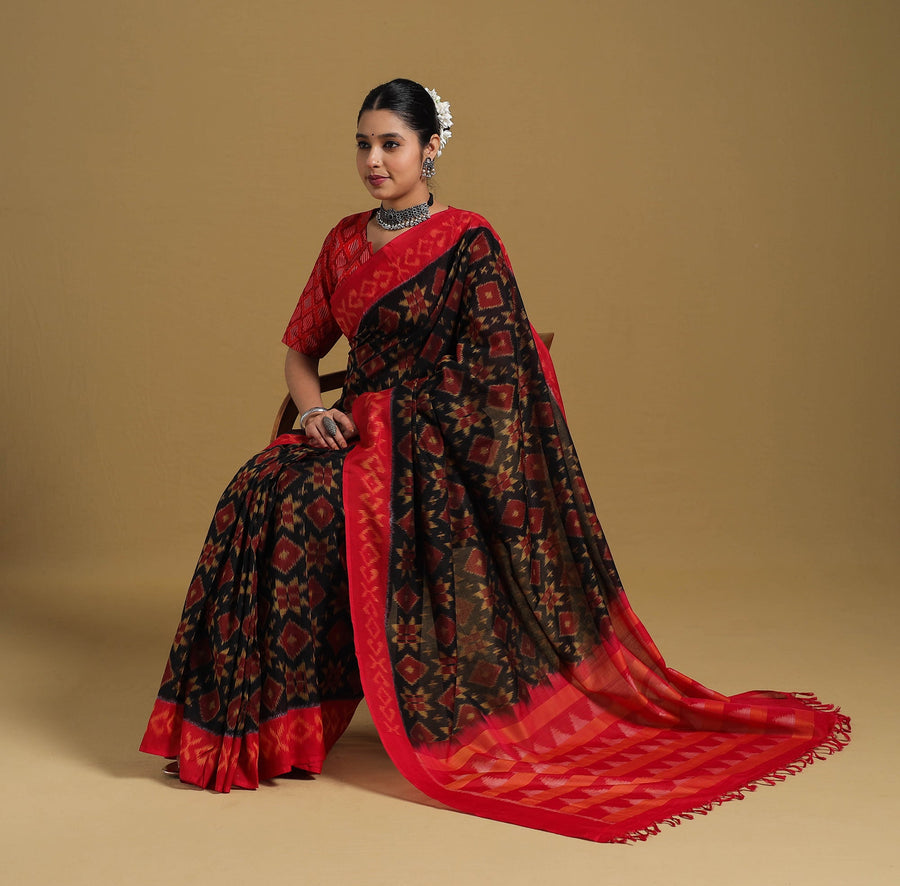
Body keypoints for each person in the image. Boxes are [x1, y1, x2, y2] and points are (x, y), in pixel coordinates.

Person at [141, 78, 849, 842]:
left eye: (391, 144)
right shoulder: (343, 241)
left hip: (438, 451)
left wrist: (397, 416)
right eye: (364, 144)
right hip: (352, 437)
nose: (374, 160)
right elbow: (300, 351)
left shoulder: (469, 242)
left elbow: (500, 371)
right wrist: (314, 413)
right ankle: (264, 731)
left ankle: (317, 718)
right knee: (261, 489)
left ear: (429, 148)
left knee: (315, 506)